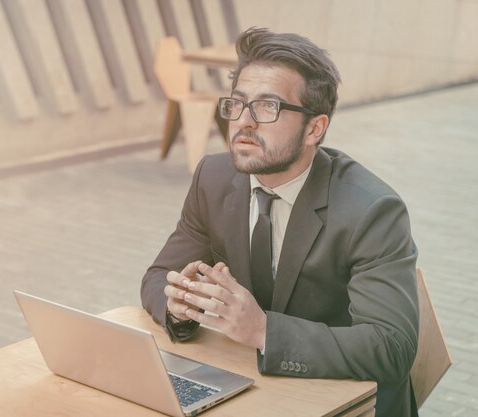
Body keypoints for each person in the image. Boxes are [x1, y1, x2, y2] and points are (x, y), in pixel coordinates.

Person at [141, 27, 419, 416]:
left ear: (314, 128)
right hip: (251, 389)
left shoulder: (372, 210)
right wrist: (178, 306)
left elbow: (392, 348)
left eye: (267, 108)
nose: (244, 123)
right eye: (237, 104)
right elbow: (158, 276)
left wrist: (263, 331)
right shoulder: (213, 176)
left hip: (348, 403)